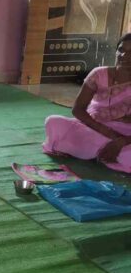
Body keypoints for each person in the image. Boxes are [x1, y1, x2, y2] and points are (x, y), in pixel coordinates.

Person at [43, 33, 131, 172]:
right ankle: (105, 151)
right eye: (121, 49)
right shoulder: (99, 74)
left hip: (124, 132)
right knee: (54, 122)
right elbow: (78, 109)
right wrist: (106, 132)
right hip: (92, 126)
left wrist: (121, 141)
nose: (124, 55)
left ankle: (98, 150)